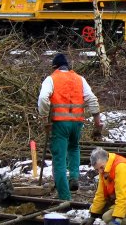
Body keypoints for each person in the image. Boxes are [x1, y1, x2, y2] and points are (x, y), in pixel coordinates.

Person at [38, 53, 103, 201]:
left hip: (60, 123)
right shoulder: (80, 79)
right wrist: (97, 120)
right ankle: (73, 177)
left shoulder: (51, 79)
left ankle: (64, 196)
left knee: (59, 159)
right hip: (77, 123)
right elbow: (92, 99)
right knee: (74, 148)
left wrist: (44, 117)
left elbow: (43, 98)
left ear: (55, 67)